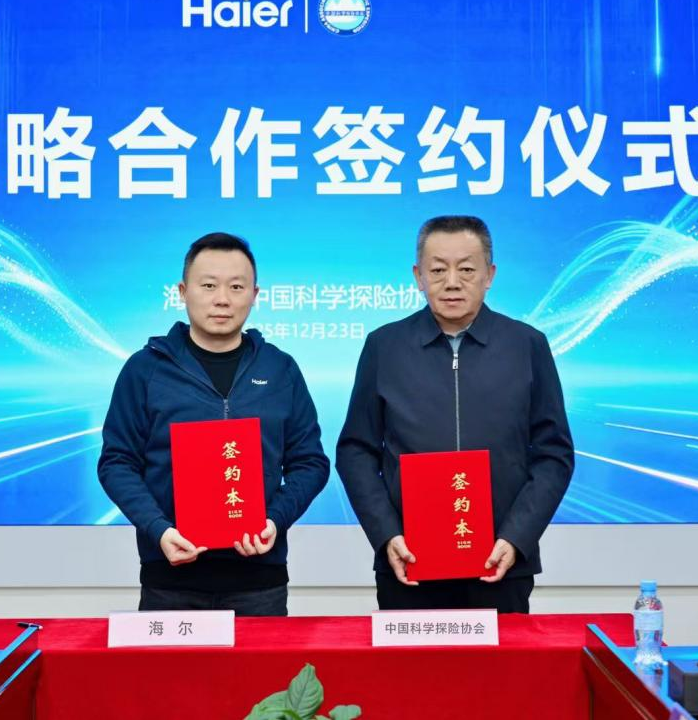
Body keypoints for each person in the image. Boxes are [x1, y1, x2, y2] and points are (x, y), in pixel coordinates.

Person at [336, 215, 574, 613]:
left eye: (466, 269)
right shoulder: (384, 346)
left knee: (502, 658)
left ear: (489, 275)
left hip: (500, 563)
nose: (451, 282)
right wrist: (387, 534)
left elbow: (554, 454)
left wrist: (517, 537)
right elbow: (355, 450)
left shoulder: (526, 345)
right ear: (418, 276)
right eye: (437, 270)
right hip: (409, 563)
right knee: (414, 658)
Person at [98, 232, 330, 616]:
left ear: (254, 295)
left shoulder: (280, 369)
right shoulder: (145, 370)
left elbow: (310, 462)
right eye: (208, 286)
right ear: (182, 291)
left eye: (236, 287)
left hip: (260, 580)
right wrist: (158, 528)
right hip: (170, 578)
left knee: (265, 661)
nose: (222, 299)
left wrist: (275, 520)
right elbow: (116, 462)